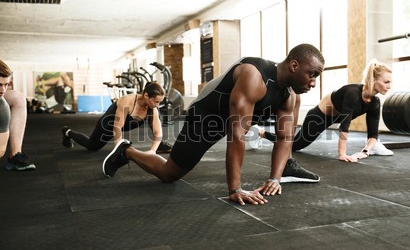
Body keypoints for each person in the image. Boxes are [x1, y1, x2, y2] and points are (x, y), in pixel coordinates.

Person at [102, 44, 325, 205]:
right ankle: (127, 150)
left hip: (229, 118)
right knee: (169, 174)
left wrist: (275, 179)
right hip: (207, 115)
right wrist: (235, 189)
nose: (313, 83)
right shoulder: (254, 76)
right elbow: (237, 135)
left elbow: (285, 138)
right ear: (294, 65)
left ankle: (127, 151)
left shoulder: (290, 96)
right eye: (312, 75)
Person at [251, 59, 393, 164]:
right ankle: (262, 133)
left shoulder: (375, 102)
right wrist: (342, 154)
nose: (389, 86)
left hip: (333, 118)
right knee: (293, 145)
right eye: (386, 82)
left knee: (291, 143)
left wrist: (366, 151)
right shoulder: (353, 93)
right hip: (318, 117)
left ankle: (375, 148)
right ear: (373, 80)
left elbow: (373, 133)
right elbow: (344, 126)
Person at [61, 81, 172, 154]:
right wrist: (118, 149)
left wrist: (152, 151)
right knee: (92, 146)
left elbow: (158, 132)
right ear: (146, 95)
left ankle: (159, 145)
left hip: (122, 126)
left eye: (159, 102)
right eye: (156, 101)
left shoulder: (152, 109)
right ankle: (67, 132)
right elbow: (117, 127)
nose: (157, 105)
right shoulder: (127, 102)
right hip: (108, 125)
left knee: (153, 120)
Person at [0, 59, 36, 171]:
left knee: (19, 98)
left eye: (6, 85)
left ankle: (16, 155)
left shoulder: (2, 106)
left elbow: (0, 150)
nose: (3, 90)